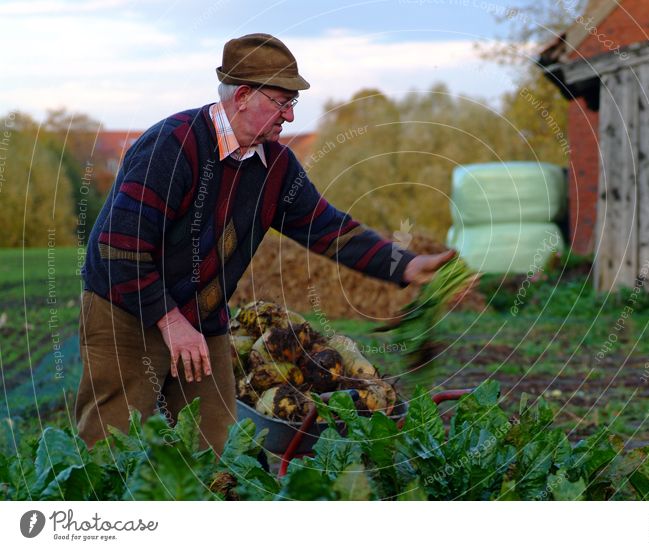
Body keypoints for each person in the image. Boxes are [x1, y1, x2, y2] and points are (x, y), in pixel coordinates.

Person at [75, 33, 455, 455]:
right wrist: (170, 322)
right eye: (282, 102)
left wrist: (404, 265)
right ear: (241, 96)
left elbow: (326, 227)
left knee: (218, 446)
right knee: (109, 446)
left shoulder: (275, 165)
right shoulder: (171, 145)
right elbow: (118, 250)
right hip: (126, 311)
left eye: (293, 104)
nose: (289, 117)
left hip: (202, 315)